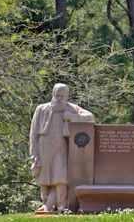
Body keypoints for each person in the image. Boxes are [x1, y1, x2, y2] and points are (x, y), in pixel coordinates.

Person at [30, 83, 94, 212]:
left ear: (67, 96)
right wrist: (34, 153)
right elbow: (33, 133)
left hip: (61, 145)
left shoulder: (71, 108)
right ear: (53, 94)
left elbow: (90, 117)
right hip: (44, 145)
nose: (59, 99)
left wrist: (73, 117)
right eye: (57, 95)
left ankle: (62, 204)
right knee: (44, 177)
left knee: (60, 176)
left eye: (62, 96)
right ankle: (46, 203)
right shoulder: (41, 109)